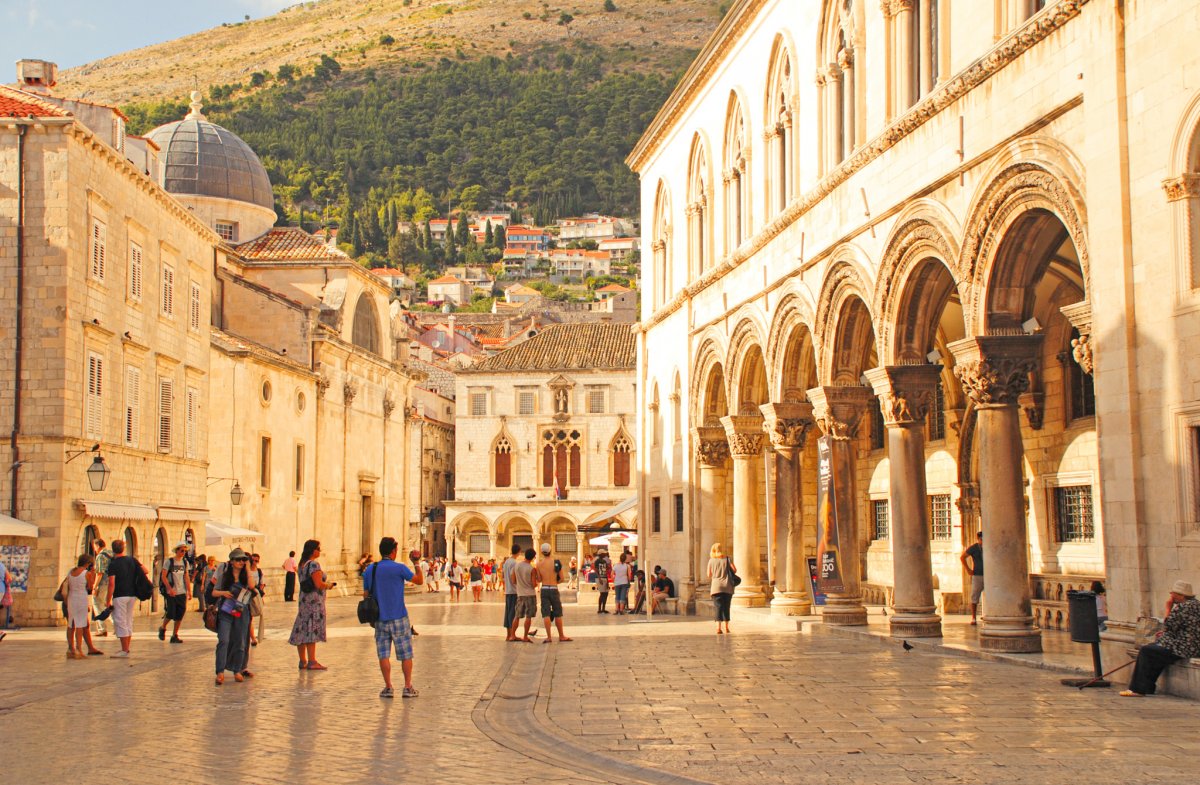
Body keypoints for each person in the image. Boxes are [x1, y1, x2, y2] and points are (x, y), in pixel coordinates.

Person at [363, 537, 424, 698]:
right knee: (406, 654)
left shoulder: (371, 569)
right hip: (399, 617)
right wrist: (416, 563)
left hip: (380, 619)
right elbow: (419, 580)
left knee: (383, 654)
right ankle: (407, 686)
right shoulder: (399, 568)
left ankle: (388, 687)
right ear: (393, 551)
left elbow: (366, 594)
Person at [1121, 580, 1200, 697]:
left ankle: (1138, 689)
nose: (1171, 596)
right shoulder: (1196, 604)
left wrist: (1168, 607)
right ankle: (1147, 686)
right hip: (1191, 645)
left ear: (1181, 595)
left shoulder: (1183, 607)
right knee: (1155, 652)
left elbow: (1169, 626)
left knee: (1146, 651)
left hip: (1182, 647)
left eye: (1173, 594)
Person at [209, 548, 258, 685]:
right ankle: (220, 672)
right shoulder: (225, 576)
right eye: (238, 559)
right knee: (224, 640)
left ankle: (237, 670)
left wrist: (248, 568)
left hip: (241, 612)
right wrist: (223, 593)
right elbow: (213, 592)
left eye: (243, 559)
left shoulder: (245, 576)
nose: (241, 562)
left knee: (241, 642)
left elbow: (252, 586)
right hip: (226, 611)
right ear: (231, 561)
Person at [289, 539, 335, 670]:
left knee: (302, 627)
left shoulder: (302, 564)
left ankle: (302, 660)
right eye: (319, 549)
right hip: (314, 601)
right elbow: (318, 584)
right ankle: (312, 661)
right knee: (311, 629)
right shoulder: (314, 565)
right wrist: (329, 585)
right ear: (313, 550)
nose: (320, 551)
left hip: (304, 600)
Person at [104, 540, 146, 658]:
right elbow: (146, 570)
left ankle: (124, 649)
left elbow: (111, 583)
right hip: (132, 594)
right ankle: (127, 648)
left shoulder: (113, 564)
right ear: (123, 548)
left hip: (120, 595)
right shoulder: (132, 560)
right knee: (128, 620)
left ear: (113, 549)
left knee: (120, 621)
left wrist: (108, 600)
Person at [66, 554, 102, 658]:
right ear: (88, 564)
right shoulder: (87, 573)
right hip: (81, 598)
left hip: (71, 598)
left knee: (71, 624)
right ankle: (78, 649)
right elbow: (90, 587)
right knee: (80, 625)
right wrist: (93, 574)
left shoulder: (71, 572)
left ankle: (70, 649)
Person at [536, 543, 572, 643]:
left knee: (546, 613)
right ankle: (561, 635)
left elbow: (538, 579)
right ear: (550, 551)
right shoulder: (556, 562)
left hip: (544, 589)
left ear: (542, 552)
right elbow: (562, 578)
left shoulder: (538, 564)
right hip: (553, 588)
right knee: (557, 612)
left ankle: (549, 637)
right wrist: (554, 582)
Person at [157, 542, 191, 644]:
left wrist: (189, 591)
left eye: (185, 551)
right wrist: (169, 589)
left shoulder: (185, 563)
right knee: (171, 613)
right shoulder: (169, 562)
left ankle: (174, 635)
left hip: (182, 592)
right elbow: (163, 576)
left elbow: (186, 577)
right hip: (171, 592)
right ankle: (162, 628)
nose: (183, 552)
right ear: (176, 551)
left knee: (180, 614)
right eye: (181, 550)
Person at [508, 548, 538, 642]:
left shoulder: (517, 566)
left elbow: (513, 580)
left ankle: (512, 635)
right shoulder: (532, 569)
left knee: (517, 616)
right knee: (528, 616)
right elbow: (534, 584)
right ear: (533, 557)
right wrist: (537, 581)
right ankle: (525, 636)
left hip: (520, 594)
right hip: (530, 595)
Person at [707, 543, 736, 634]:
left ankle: (718, 628)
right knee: (727, 607)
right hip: (727, 586)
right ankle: (727, 627)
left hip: (716, 587)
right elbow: (734, 570)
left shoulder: (711, 561)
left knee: (718, 607)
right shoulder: (727, 559)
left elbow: (709, 574)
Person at [960, 531, 984, 625]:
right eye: (981, 539)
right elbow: (962, 557)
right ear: (978, 539)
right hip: (977, 575)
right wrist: (968, 569)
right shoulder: (974, 548)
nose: (983, 541)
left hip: (989, 575)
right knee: (974, 596)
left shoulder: (989, 547)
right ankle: (973, 617)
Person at [91, 538, 112, 637]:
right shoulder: (111, 553)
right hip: (111, 583)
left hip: (103, 583)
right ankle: (117, 625)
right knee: (105, 604)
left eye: (94, 547)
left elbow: (99, 573)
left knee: (97, 604)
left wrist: (94, 587)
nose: (94, 549)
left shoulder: (100, 556)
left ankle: (102, 628)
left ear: (98, 546)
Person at [502, 543, 522, 640]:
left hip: (508, 590)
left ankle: (508, 634)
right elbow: (513, 577)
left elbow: (503, 575)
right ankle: (512, 635)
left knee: (508, 612)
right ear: (518, 552)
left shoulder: (506, 562)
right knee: (513, 613)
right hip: (514, 591)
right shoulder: (514, 563)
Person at [249, 553, 265, 646]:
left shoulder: (259, 571)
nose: (255, 562)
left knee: (252, 616)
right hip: (247, 595)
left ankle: (253, 637)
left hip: (255, 595)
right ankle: (253, 638)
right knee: (249, 617)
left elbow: (262, 583)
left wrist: (260, 596)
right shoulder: (246, 571)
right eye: (253, 560)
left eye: (257, 560)